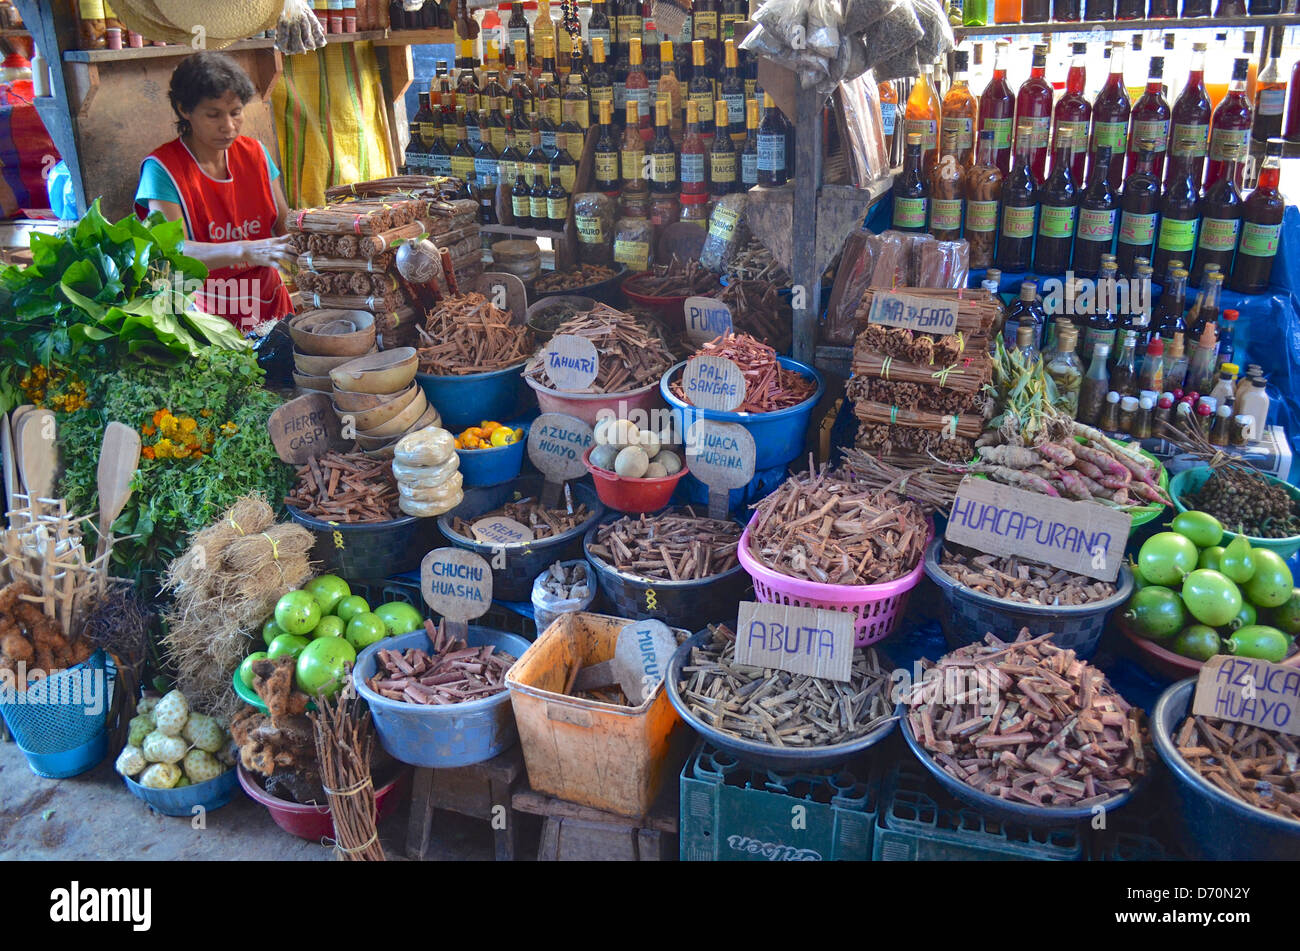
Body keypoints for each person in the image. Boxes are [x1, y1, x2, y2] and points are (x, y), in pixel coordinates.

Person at [134, 51, 294, 328]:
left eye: (236, 113)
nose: (228, 127)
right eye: (213, 115)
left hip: (271, 303)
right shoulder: (162, 170)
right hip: (206, 313)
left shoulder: (256, 153)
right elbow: (172, 253)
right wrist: (245, 250)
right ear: (184, 109)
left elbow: (283, 223)